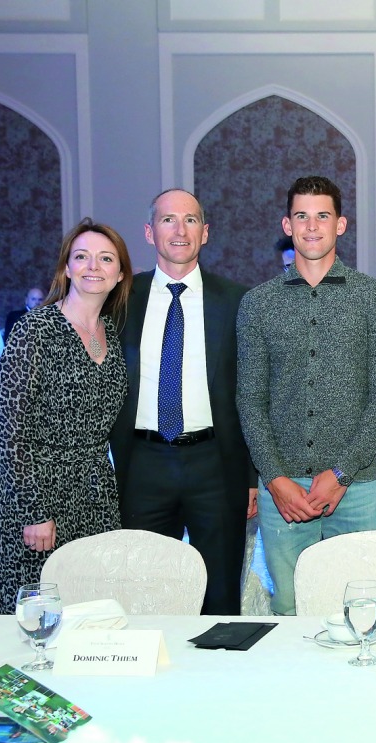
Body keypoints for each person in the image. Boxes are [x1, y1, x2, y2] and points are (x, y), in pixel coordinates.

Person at [237, 175, 376, 616]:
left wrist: (340, 473)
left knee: (361, 610)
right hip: (283, 490)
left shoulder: (373, 297)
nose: (312, 226)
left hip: (357, 488)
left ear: (340, 225)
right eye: (302, 216)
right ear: (287, 225)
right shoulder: (257, 303)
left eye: (322, 216)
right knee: (291, 610)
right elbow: (249, 400)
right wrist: (275, 479)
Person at [109, 188, 256, 617]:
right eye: (168, 220)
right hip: (143, 465)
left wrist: (250, 476)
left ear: (205, 232)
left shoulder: (236, 301)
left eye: (190, 220)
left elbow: (249, 390)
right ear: (149, 232)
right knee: (144, 593)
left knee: (220, 594)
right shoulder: (120, 299)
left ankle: (217, 679)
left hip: (216, 465)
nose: (179, 229)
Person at [0, 219, 131, 613]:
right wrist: (36, 512)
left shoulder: (111, 335)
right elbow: (11, 430)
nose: (92, 267)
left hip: (94, 495)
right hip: (36, 496)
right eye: (81, 257)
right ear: (67, 268)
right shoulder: (34, 329)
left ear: (119, 275)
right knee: (34, 617)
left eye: (105, 259)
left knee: (90, 614)